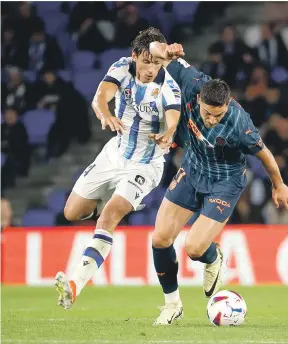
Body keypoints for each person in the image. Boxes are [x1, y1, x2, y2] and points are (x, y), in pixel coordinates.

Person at [148, 41, 288, 325]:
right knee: (159, 239)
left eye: (217, 115)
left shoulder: (240, 123)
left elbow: (264, 153)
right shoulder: (192, 82)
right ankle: (172, 305)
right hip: (193, 168)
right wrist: (164, 50)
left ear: (227, 105)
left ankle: (212, 255)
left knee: (194, 248)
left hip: (225, 181)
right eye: (207, 113)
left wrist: (278, 185)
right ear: (200, 99)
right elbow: (153, 48)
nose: (210, 119)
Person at [54, 28, 182, 310]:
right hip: (113, 154)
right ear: (134, 55)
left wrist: (169, 133)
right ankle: (111, 202)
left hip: (145, 165)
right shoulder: (121, 68)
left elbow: (173, 119)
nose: (151, 69)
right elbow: (100, 97)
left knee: (110, 216)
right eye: (147, 61)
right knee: (71, 212)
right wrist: (105, 115)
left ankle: (74, 285)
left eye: (157, 63)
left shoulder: (169, 87)